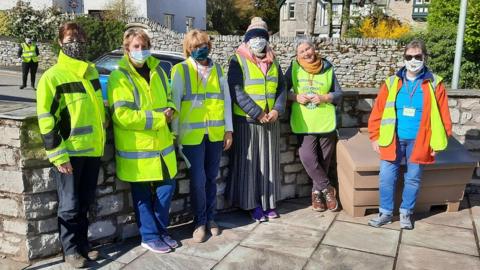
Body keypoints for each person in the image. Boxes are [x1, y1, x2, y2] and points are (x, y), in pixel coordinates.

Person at [36, 22, 106, 268]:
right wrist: (58, 155)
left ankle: (84, 246)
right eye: (69, 38)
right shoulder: (52, 77)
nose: (75, 42)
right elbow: (46, 121)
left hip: (93, 149)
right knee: (69, 205)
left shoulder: (92, 72)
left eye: (78, 37)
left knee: (85, 201)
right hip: (70, 153)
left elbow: (98, 110)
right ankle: (71, 251)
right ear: (60, 43)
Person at [107, 27, 178, 254]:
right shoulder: (120, 76)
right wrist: (159, 118)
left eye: (144, 46)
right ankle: (149, 236)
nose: (141, 50)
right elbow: (122, 116)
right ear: (127, 49)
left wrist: (172, 109)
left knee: (167, 188)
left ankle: (159, 230)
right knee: (142, 196)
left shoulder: (158, 70)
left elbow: (169, 98)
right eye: (136, 47)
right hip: (138, 149)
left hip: (162, 147)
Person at [368, 40, 452, 229]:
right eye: (409, 57)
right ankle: (386, 213)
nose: (413, 60)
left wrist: (438, 143)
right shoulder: (391, 82)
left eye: (417, 56)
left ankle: (406, 214)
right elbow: (378, 112)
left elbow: (444, 116)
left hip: (421, 140)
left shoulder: (435, 83)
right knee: (386, 177)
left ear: (424, 57)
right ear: (404, 58)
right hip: (392, 139)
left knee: (413, 178)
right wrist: (374, 137)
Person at [171, 29, 233, 243]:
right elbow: (175, 104)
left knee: (211, 178)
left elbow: (225, 101)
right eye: (196, 46)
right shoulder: (180, 70)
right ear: (189, 48)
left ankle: (211, 219)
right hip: (191, 135)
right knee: (197, 180)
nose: (201, 49)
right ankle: (199, 222)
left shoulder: (218, 69)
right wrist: (174, 134)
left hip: (215, 133)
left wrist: (229, 129)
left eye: (204, 45)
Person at [227, 17, 286, 222]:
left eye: (262, 37)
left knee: (269, 164)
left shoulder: (273, 60)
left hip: (270, 120)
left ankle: (268, 203)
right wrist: (257, 113)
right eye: (254, 37)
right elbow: (236, 90)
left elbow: (281, 87)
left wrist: (277, 109)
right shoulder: (238, 59)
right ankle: (252, 205)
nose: (258, 41)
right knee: (249, 166)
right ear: (247, 40)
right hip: (247, 121)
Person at [285, 37, 343, 212]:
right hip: (305, 121)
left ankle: (316, 193)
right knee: (308, 157)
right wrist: (295, 97)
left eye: (308, 49)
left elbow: (338, 94)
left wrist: (325, 97)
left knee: (324, 159)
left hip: (325, 120)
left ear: (314, 49)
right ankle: (327, 188)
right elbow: (282, 91)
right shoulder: (294, 68)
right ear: (297, 55)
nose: (306, 54)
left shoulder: (327, 67)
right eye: (302, 51)